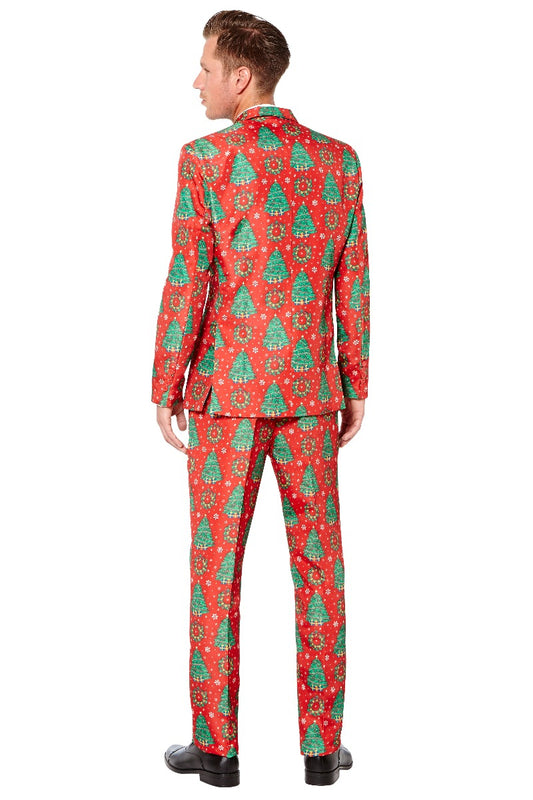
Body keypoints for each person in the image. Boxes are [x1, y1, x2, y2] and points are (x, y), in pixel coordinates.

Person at [151, 9, 370, 787]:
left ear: (241, 77)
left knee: (215, 570)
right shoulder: (337, 161)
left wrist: (165, 382)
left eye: (206, 67)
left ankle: (216, 750)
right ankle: (321, 750)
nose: (197, 81)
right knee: (320, 568)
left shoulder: (204, 160)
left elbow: (189, 279)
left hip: (225, 398)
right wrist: (354, 383)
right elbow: (353, 280)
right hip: (311, 392)